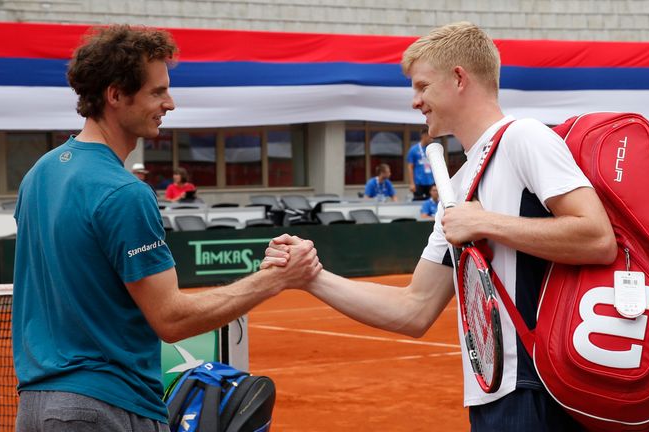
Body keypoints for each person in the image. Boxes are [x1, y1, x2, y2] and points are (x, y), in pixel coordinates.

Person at [262, 22, 616, 431]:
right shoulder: (461, 183)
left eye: (422, 86)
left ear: (459, 79)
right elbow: (414, 308)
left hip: (540, 389)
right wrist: (311, 278)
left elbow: (596, 237)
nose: (415, 101)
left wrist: (486, 222)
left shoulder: (525, 138)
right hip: (497, 394)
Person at [12, 25, 321, 432]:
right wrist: (276, 279)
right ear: (116, 95)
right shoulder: (124, 192)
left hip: (37, 409)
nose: (169, 103)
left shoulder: (39, 173)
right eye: (157, 92)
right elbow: (171, 319)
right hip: (104, 408)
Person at [406, 128, 435, 200]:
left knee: (432, 202)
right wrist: (412, 183)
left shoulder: (431, 149)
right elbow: (410, 167)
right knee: (418, 203)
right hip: (418, 183)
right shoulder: (413, 150)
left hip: (431, 182)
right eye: (430, 136)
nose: (432, 139)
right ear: (424, 136)